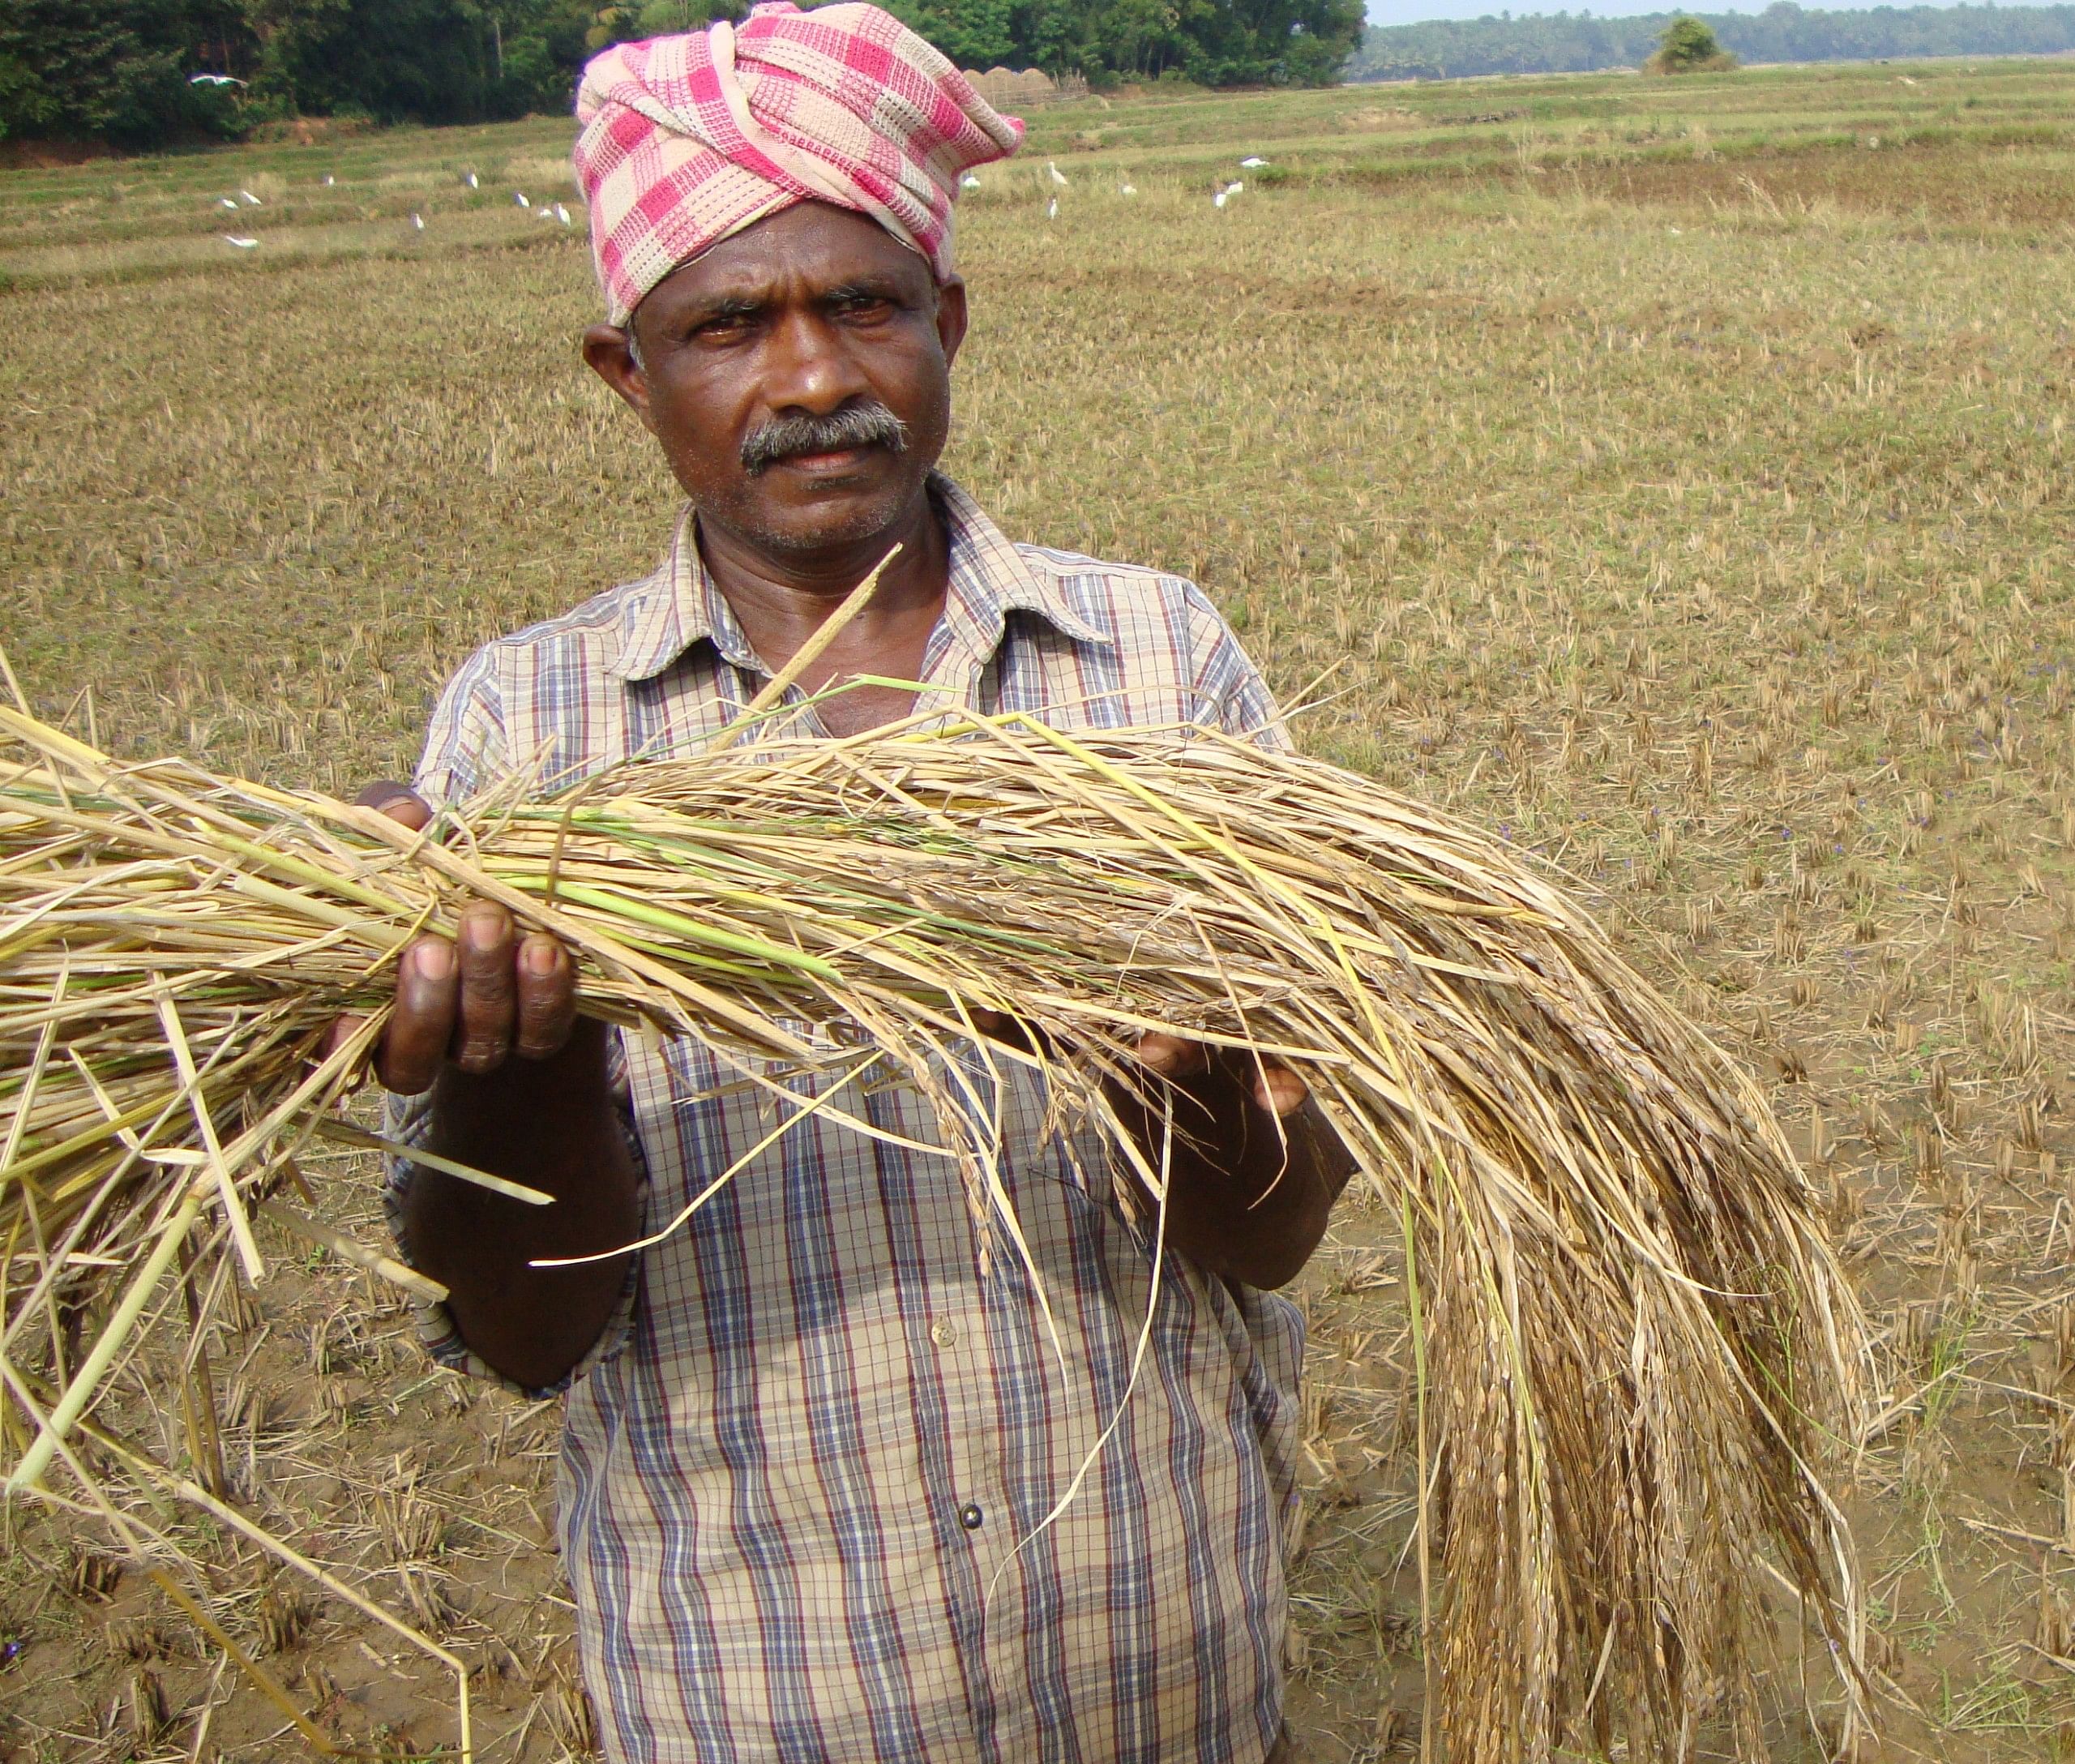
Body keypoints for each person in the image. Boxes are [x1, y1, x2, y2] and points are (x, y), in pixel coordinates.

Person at [354, 7, 1353, 1759]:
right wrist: (533, 1059)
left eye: (864, 305)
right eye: (728, 325)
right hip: (762, 1686)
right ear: (626, 371)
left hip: (1163, 1662)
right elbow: (524, 1329)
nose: (812, 378)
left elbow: (1269, 1227)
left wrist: (1177, 1066)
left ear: (946, 321)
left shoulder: (1150, 666)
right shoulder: (520, 735)